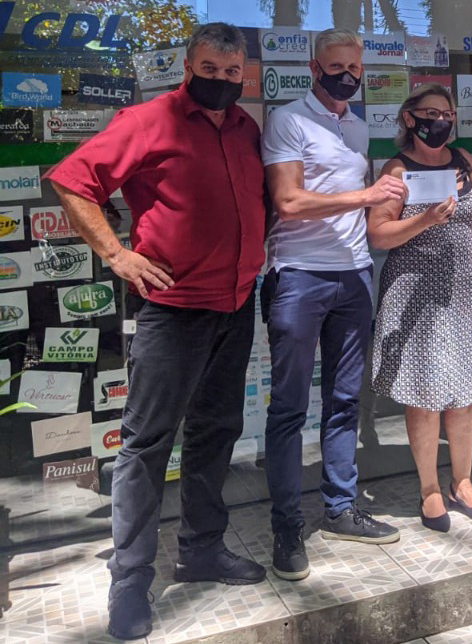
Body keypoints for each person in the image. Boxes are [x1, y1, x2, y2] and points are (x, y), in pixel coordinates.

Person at [46, 23, 266, 640]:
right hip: (174, 309)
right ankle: (130, 581)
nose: (221, 81)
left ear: (243, 74)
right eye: (210, 69)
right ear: (188, 66)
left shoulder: (246, 127)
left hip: (235, 304)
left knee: (215, 432)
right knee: (147, 446)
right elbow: (71, 180)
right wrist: (116, 255)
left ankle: (202, 549)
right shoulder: (150, 120)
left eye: (232, 72)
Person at [261, 28, 401, 583]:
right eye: (336, 66)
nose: (348, 75)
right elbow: (288, 201)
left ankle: (340, 509)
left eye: (355, 68)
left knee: (344, 402)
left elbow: (363, 208)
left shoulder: (358, 127)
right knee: (289, 408)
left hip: (354, 276)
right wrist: (365, 195)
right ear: (314, 69)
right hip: (298, 276)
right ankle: (286, 526)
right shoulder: (288, 120)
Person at [367, 84, 472, 532]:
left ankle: (462, 482)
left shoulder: (463, 160)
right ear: (410, 119)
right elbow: (378, 233)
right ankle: (429, 488)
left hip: (466, 291)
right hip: (416, 296)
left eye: (447, 114)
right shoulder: (397, 169)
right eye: (431, 113)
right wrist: (424, 219)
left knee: (465, 394)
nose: (441, 121)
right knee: (425, 395)